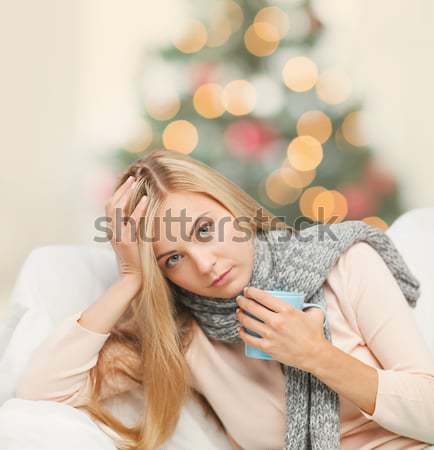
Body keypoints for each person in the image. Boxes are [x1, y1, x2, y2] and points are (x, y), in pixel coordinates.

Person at [16, 148, 434, 450]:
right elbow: (41, 393)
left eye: (203, 230)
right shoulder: (183, 338)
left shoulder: (344, 265)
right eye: (173, 258)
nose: (203, 263)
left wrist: (317, 357)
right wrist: (128, 277)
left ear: (232, 208)